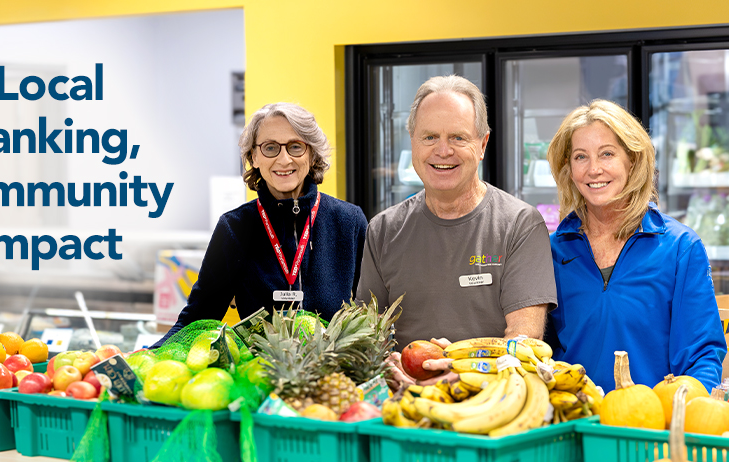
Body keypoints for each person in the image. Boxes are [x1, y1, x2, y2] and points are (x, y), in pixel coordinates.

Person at [357, 75, 557, 384]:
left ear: (483, 144)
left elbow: (523, 341)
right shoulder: (383, 229)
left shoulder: (520, 224)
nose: (443, 150)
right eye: (429, 137)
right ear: (412, 142)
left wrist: (465, 369)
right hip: (405, 405)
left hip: (490, 405)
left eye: (458, 138)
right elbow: (369, 336)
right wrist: (390, 367)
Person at [545, 99, 726, 392]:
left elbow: (702, 357)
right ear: (568, 168)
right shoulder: (552, 251)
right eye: (581, 157)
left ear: (632, 159)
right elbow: (540, 355)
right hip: (574, 423)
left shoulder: (680, 248)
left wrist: (681, 417)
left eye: (607, 154)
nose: (594, 169)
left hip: (651, 427)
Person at [153, 102, 368, 346]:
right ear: (254, 157)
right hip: (258, 376)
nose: (284, 159)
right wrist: (148, 357)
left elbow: (372, 314)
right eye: (270, 148)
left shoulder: (349, 221)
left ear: (311, 153)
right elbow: (196, 319)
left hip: (335, 376)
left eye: (296, 146)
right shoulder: (234, 228)